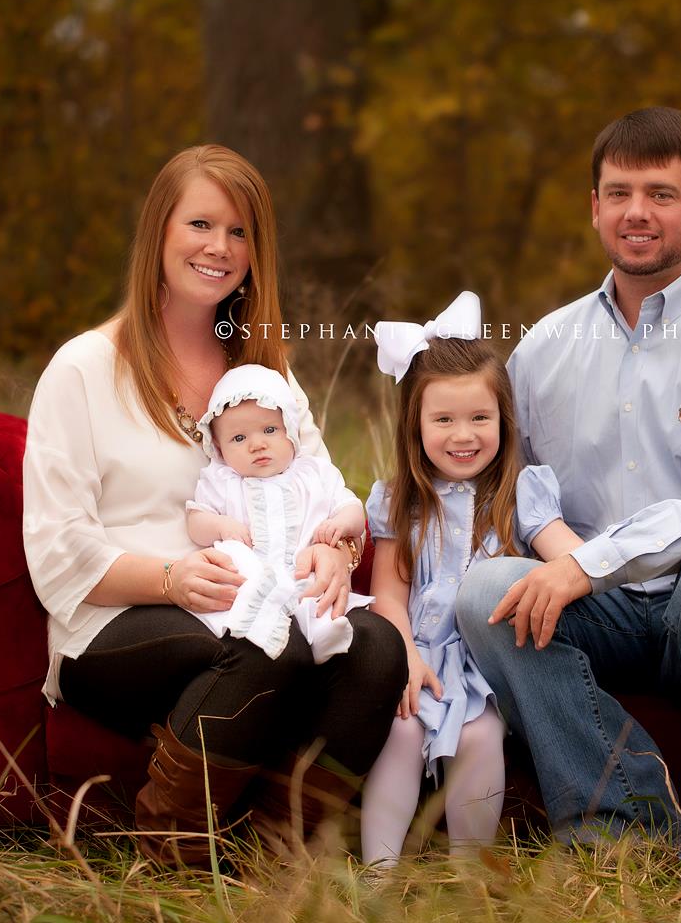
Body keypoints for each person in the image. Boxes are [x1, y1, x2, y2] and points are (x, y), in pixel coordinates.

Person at [454, 107, 681, 868]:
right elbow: (510, 482)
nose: (636, 212)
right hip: (613, 611)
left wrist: (587, 564)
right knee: (485, 591)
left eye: (660, 194)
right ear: (593, 206)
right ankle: (626, 827)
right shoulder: (545, 348)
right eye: (618, 192)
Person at [21, 145, 405, 869]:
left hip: (254, 597)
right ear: (159, 233)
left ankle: (275, 854)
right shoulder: (84, 368)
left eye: (239, 232)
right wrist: (170, 579)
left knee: (376, 646)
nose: (218, 248)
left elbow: (322, 484)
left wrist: (335, 548)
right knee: (261, 637)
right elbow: (57, 551)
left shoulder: (263, 373)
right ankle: (172, 850)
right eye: (200, 223)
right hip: (115, 619)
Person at [359, 292, 584, 868]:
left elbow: (573, 556)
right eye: (444, 420)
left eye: (480, 418)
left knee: (482, 737)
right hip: (417, 654)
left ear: (503, 421)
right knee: (401, 732)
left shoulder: (521, 494)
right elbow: (389, 592)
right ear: (416, 424)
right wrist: (403, 655)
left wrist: (607, 563)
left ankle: (469, 880)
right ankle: (378, 876)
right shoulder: (401, 500)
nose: (464, 435)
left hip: (486, 662)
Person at [185, 362, 371, 663]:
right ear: (218, 446)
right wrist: (219, 526)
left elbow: (351, 507)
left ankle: (325, 634)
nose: (257, 445)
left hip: (304, 568)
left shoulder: (313, 473)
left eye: (269, 430)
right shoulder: (221, 480)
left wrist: (340, 524)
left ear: (291, 431)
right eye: (239, 438)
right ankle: (257, 626)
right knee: (236, 564)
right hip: (252, 573)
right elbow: (195, 521)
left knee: (316, 594)